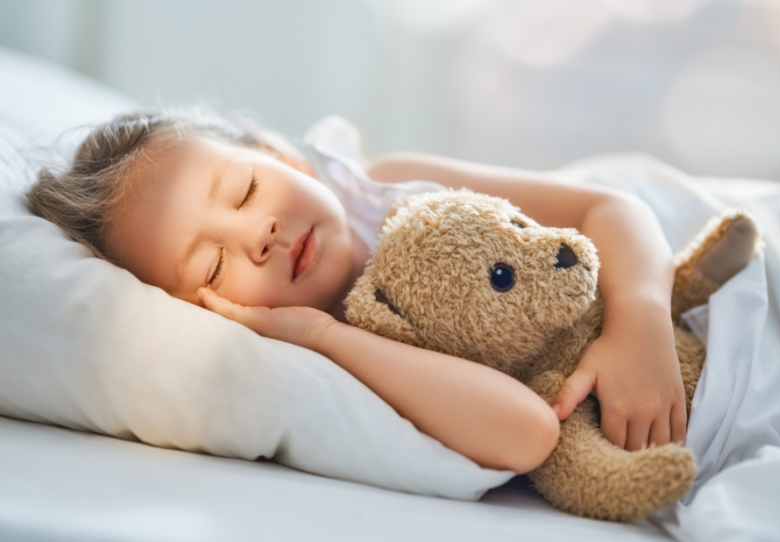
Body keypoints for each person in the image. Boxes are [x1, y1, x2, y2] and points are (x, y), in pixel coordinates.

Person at [27, 109, 686, 476]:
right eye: (214, 264)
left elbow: (611, 209)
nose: (260, 234)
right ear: (208, 313)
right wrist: (322, 336)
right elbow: (525, 433)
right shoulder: (337, 357)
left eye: (246, 191)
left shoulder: (392, 186)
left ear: (282, 159)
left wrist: (641, 324)